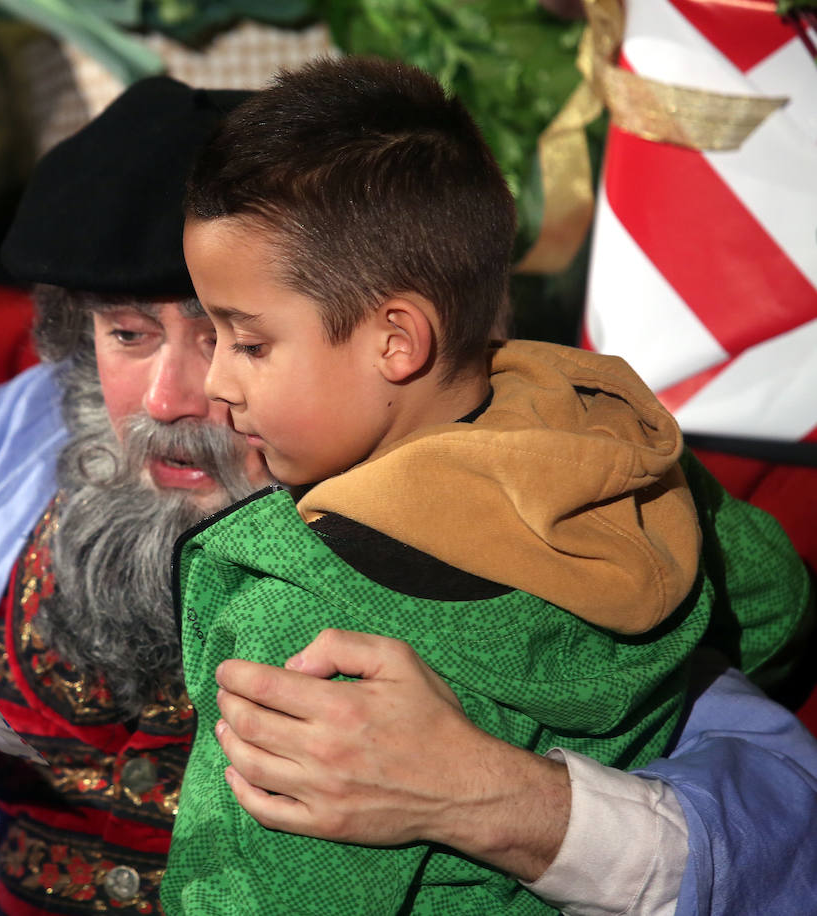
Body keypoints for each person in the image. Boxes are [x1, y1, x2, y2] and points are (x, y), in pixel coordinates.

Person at [0, 76, 817, 916]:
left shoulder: (500, 495)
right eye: (126, 331)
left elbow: (779, 821)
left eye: (230, 337)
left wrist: (497, 796)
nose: (169, 396)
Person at [162, 58, 812, 915]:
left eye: (247, 343)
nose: (214, 383)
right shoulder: (615, 446)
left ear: (397, 340)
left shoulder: (299, 616)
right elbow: (776, 609)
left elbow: (239, 890)